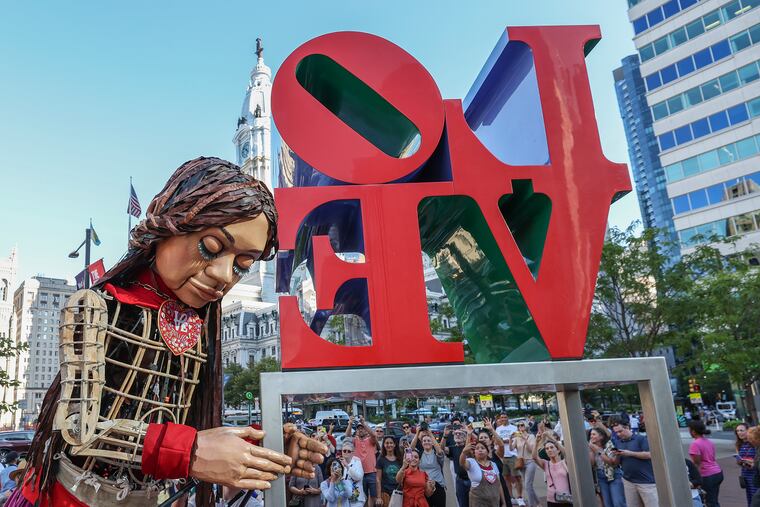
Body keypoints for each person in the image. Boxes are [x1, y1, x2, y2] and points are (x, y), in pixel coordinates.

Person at [19, 158, 327, 507]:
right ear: (169, 224)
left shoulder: (199, 328)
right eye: (210, 248)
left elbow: (181, 426)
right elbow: (76, 426)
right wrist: (191, 451)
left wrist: (260, 447)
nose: (224, 275)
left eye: (242, 266)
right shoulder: (97, 306)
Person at [611, 418, 658, 507]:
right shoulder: (618, 442)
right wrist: (617, 454)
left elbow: (649, 455)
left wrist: (629, 453)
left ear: (627, 427)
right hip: (629, 481)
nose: (618, 434)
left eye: (620, 431)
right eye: (616, 432)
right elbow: (615, 463)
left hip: (646, 482)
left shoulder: (641, 439)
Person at [460, 434, 508, 506]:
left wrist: (503, 502)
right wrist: (464, 452)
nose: (480, 450)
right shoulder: (471, 462)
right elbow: (462, 462)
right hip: (478, 503)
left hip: (494, 503)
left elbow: (499, 484)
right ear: (474, 453)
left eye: (482, 448)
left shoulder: (493, 464)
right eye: (477, 448)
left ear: (487, 452)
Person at [588, 427, 626, 507]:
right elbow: (592, 463)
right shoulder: (591, 447)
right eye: (591, 434)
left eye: (594, 434)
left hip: (614, 474)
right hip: (601, 476)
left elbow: (612, 462)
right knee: (607, 504)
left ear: (601, 436)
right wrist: (591, 451)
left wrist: (598, 450)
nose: (591, 436)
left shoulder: (609, 445)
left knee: (618, 503)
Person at [688, 420, 722, 507]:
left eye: (689, 430)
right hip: (717, 473)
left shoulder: (695, 444)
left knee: (709, 502)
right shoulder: (709, 441)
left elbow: (697, 464)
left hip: (707, 475)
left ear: (693, 431)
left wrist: (697, 480)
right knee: (714, 501)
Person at [345, 415, 378, 506]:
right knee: (362, 496)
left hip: (371, 472)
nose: (360, 430)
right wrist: (350, 424)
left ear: (366, 430)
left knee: (374, 496)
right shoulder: (355, 441)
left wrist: (363, 423)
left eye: (362, 428)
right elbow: (347, 436)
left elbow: (374, 434)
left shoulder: (370, 440)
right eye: (359, 428)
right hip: (359, 474)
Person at [532, 438, 571, 507]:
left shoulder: (565, 462)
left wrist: (551, 438)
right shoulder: (545, 464)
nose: (549, 450)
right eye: (547, 449)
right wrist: (536, 442)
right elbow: (534, 457)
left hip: (566, 499)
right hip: (551, 499)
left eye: (552, 447)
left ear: (558, 450)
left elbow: (567, 453)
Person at [412, 428, 446, 507]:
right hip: (423, 486)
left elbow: (440, 452)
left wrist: (430, 434)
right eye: (424, 441)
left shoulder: (436, 453)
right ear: (421, 443)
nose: (426, 442)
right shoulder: (419, 454)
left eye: (428, 440)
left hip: (438, 485)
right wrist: (417, 433)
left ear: (432, 442)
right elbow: (410, 450)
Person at [494, 413, 521, 504]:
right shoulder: (498, 429)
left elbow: (517, 438)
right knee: (506, 478)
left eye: (505, 417)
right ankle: (511, 496)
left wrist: (504, 440)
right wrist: (503, 440)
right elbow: (496, 441)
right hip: (502, 456)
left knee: (516, 477)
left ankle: (519, 497)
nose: (503, 419)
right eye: (501, 417)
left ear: (507, 418)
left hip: (513, 454)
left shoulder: (513, 428)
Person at [510, 421, 537, 507]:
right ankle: (538, 503)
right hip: (521, 463)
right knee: (529, 486)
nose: (520, 427)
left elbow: (531, 450)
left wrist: (525, 439)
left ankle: (531, 504)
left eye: (521, 425)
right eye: (518, 426)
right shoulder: (517, 438)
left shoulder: (531, 436)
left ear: (525, 426)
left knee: (527, 485)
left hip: (530, 462)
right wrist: (511, 438)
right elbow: (511, 448)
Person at [445, 427, 471, 507]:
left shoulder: (470, 447)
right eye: (456, 434)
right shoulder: (452, 448)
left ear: (465, 437)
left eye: (460, 433)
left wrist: (469, 434)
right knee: (462, 504)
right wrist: (444, 436)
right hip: (460, 481)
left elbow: (467, 450)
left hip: (471, 480)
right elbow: (441, 449)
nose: (458, 435)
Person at [376, 436, 402, 506]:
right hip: (385, 492)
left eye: (391, 443)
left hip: (398, 491)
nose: (389, 445)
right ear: (384, 445)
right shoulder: (380, 459)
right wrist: (378, 497)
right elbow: (378, 479)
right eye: (387, 443)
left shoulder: (400, 459)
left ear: (394, 444)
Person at [736, 423, 758, 506]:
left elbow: (757, 460)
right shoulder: (739, 444)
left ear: (748, 431)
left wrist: (751, 462)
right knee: (749, 497)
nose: (739, 433)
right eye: (737, 431)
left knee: (755, 498)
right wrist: (740, 461)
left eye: (741, 430)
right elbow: (739, 459)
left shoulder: (755, 444)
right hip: (745, 474)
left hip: (755, 474)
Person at [340, 441, 366, 507]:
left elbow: (358, 477)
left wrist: (347, 466)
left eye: (349, 451)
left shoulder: (357, 462)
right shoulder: (339, 463)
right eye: (344, 451)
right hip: (344, 498)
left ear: (353, 453)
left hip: (356, 498)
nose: (346, 452)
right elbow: (337, 481)